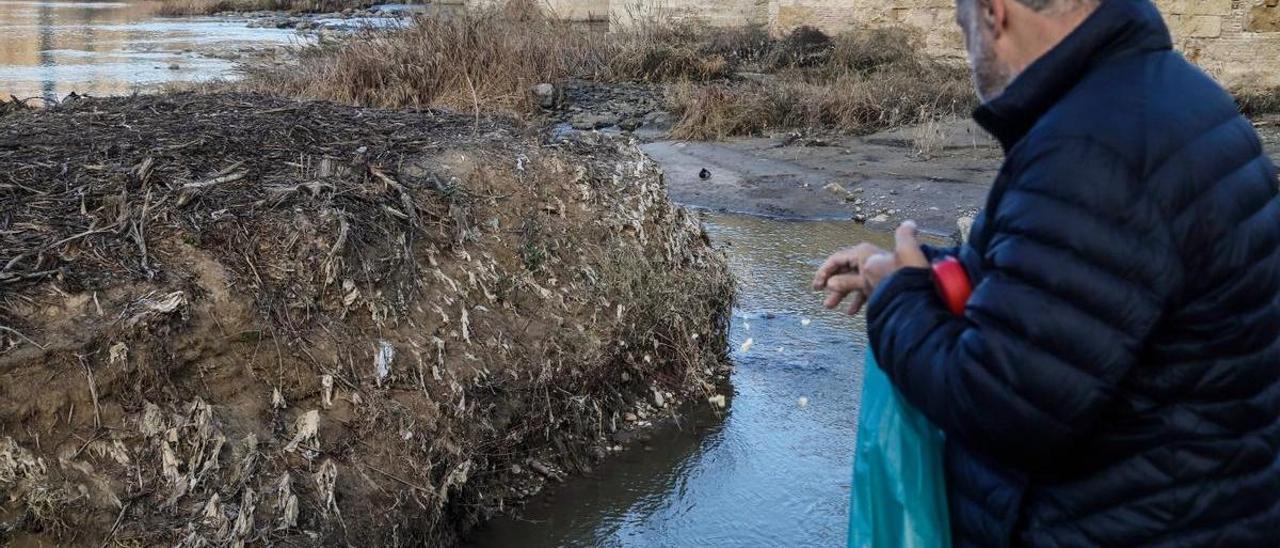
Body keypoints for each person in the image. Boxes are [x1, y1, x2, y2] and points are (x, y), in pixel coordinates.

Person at [813, 0, 1280, 545]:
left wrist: (899, 297)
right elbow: (1070, 287)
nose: (968, 51)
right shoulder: (1178, 98)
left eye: (964, 27)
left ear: (994, 14)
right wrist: (914, 270)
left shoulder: (1092, 150)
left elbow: (998, 407)